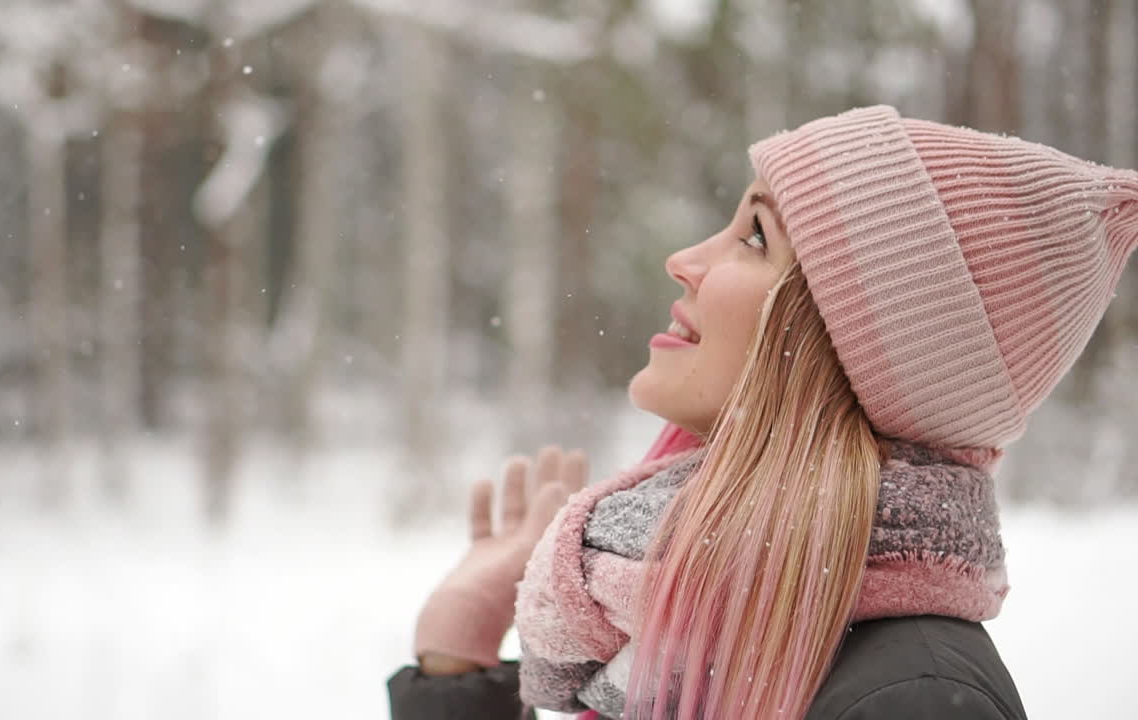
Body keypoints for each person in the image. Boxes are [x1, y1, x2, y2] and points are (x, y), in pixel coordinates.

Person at [387, 104, 1138, 719]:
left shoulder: (910, 698)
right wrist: (458, 661)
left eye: (755, 236)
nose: (684, 258)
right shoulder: (679, 631)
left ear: (850, 345)